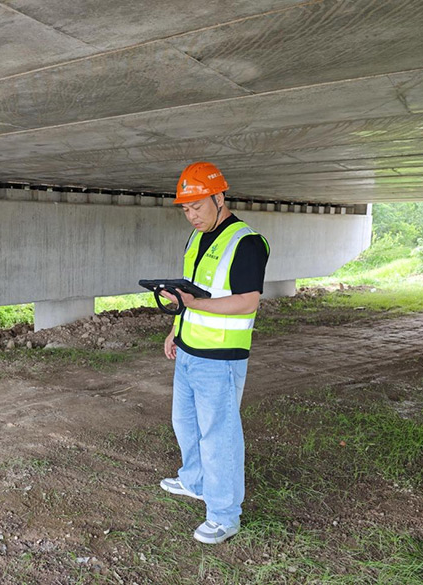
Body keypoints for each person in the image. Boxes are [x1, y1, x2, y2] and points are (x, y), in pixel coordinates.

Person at [159, 161, 269, 544]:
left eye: (198, 206)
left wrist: (196, 307)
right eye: (186, 209)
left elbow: (247, 302)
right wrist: (176, 328)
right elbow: (191, 292)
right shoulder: (196, 238)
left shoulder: (246, 242)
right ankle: (195, 481)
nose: (191, 215)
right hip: (189, 350)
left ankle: (224, 514)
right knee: (185, 424)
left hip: (220, 358)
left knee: (219, 435)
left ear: (220, 198)